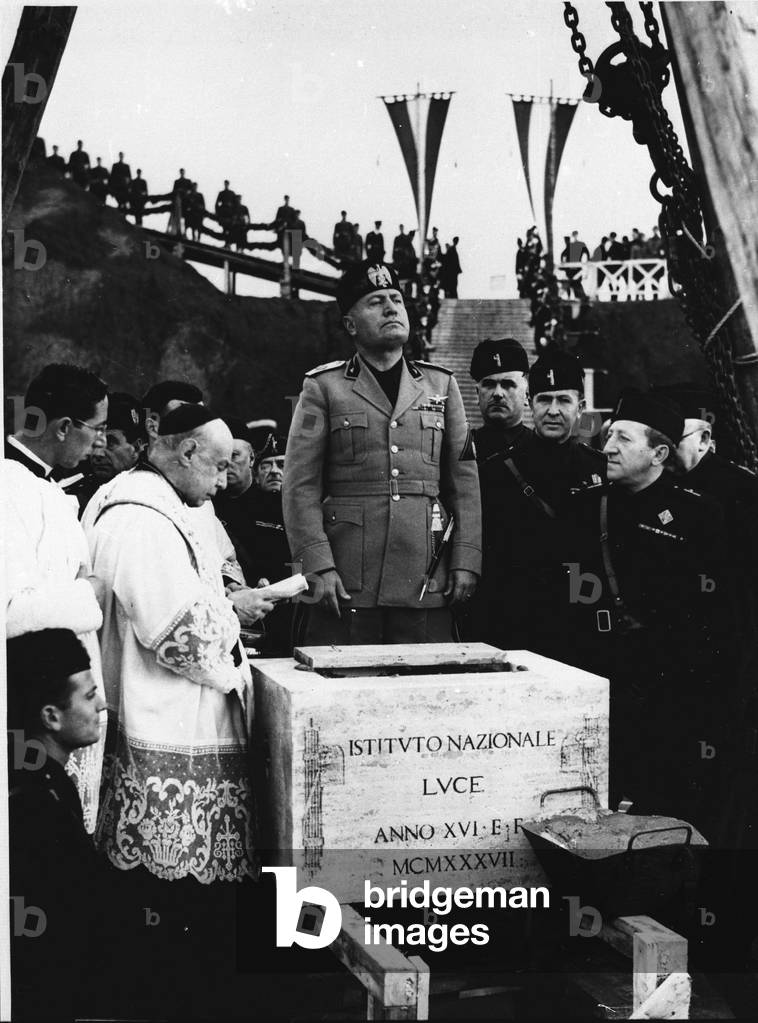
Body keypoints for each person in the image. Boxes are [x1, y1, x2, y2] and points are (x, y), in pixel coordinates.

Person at [83, 404, 275, 887]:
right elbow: (183, 638)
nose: (224, 481)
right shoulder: (142, 520)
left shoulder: (146, 500)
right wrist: (232, 615)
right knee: (172, 879)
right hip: (165, 714)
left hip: (151, 702)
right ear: (188, 452)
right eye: (218, 466)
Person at [283, 259, 481, 645]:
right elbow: (299, 486)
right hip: (348, 579)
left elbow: (465, 483)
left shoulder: (441, 385)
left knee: (428, 678)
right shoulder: (323, 387)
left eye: (396, 299)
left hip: (426, 575)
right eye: (376, 302)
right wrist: (317, 564)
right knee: (344, 678)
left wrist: (467, 558)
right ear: (350, 324)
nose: (391, 308)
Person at [570, 392, 732, 829]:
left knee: (664, 805)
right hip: (600, 677)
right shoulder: (586, 506)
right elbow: (567, 590)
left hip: (670, 688)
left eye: (623, 439)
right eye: (608, 437)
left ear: (659, 453)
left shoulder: (699, 515)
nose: (608, 447)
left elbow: (717, 613)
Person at [3, 363, 109, 832]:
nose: (100, 442)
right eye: (97, 429)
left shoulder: (43, 484)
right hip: (31, 709)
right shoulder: (9, 488)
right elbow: (10, 611)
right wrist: (89, 595)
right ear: (64, 427)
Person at [7, 629, 109, 1020]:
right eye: (89, 695)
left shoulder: (41, 776)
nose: (102, 704)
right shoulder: (36, 803)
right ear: (51, 716)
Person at [214, 427, 293, 655]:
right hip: (228, 606)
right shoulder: (206, 504)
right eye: (267, 465)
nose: (228, 463)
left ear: (250, 460)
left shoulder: (277, 507)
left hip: (274, 611)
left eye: (234, 455)